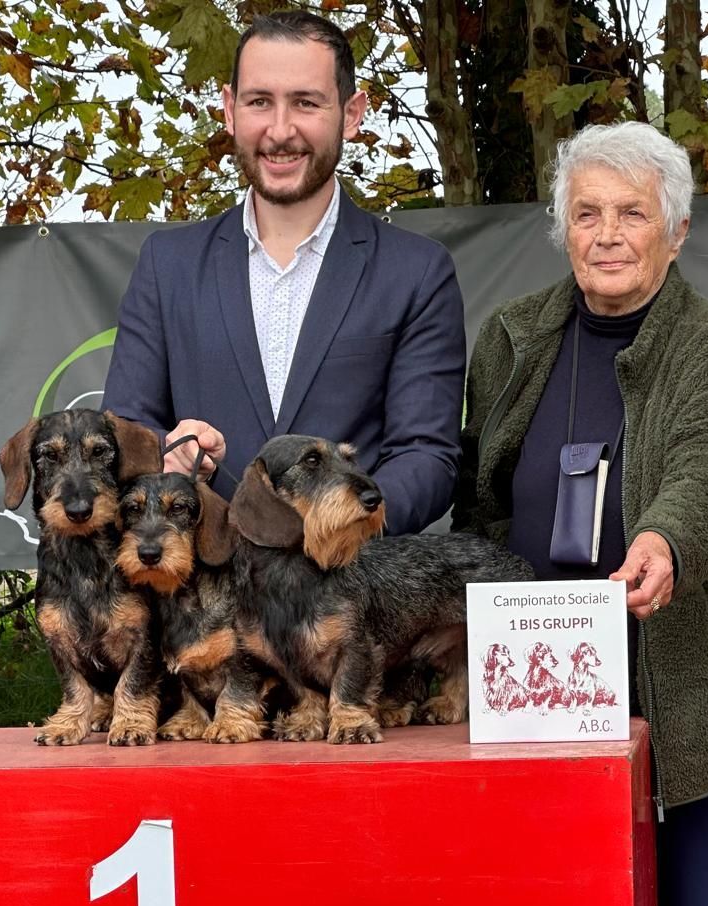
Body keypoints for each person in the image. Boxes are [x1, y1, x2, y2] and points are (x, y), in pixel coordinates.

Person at [452, 122, 708, 906]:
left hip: (691, 673)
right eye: (587, 213)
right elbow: (482, 494)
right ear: (564, 229)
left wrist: (663, 542)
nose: (607, 234)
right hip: (537, 682)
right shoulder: (510, 336)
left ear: (676, 232)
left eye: (632, 214)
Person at [101, 12, 464, 534]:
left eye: (306, 102)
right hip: (201, 601)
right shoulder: (168, 265)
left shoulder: (417, 272)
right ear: (229, 110)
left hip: (348, 597)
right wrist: (171, 454)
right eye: (259, 102)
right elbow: (124, 438)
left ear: (352, 113)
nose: (279, 130)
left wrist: (333, 529)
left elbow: (427, 457)